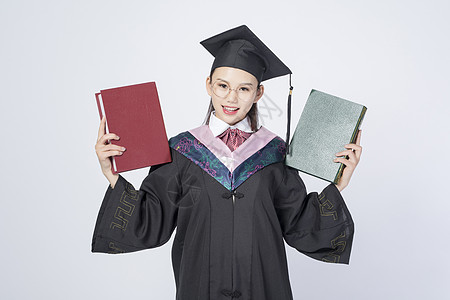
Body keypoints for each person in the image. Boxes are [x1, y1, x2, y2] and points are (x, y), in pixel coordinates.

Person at [92, 25, 362, 300]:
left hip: (264, 289)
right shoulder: (181, 151)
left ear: (258, 93)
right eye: (222, 85)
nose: (231, 98)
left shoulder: (276, 154)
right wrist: (110, 174)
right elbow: (152, 219)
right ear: (208, 84)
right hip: (199, 288)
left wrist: (339, 184)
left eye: (244, 88)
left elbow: (301, 224)